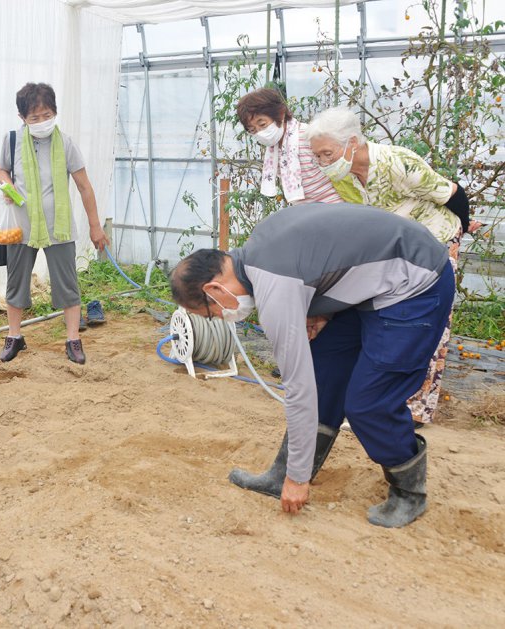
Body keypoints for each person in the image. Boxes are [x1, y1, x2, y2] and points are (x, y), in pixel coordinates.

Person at [170, 204, 455, 528]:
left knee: (368, 403)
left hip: (415, 284)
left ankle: (409, 493)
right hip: (380, 281)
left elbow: (298, 388)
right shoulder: (257, 246)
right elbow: (331, 257)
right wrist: (318, 308)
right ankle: (281, 472)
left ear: (214, 290)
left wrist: (298, 478)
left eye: (211, 313)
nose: (221, 317)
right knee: (324, 373)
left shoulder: (275, 288)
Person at [306, 107, 480, 425]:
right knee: (380, 318)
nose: (322, 163)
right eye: (317, 156)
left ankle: (413, 411)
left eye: (327, 154)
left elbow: (454, 194)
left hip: (435, 243)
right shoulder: (342, 177)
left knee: (427, 325)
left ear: (353, 142)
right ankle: (367, 401)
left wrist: (463, 228)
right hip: (395, 250)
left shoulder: (397, 163)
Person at [0, 82, 109, 365]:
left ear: (55, 112)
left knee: (68, 284)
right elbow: (1, 170)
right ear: (22, 118)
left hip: (60, 229)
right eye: (35, 118)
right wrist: (7, 185)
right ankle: (14, 337)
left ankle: (73, 340)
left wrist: (96, 226)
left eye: (47, 115)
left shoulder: (66, 143)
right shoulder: (12, 141)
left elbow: (84, 187)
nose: (43, 122)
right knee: (16, 283)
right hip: (21, 228)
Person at [236, 88, 342, 205]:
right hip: (305, 212)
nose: (260, 132)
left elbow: (340, 169)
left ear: (280, 114)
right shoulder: (275, 149)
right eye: (253, 130)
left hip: (332, 207)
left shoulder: (308, 135)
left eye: (262, 124)